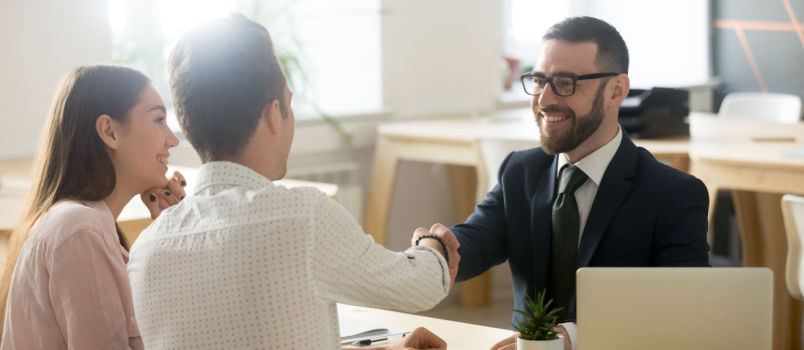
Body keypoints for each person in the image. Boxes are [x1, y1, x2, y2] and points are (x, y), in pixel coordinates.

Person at [126, 13, 459, 350]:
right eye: (289, 103)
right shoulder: (304, 219)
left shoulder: (144, 251)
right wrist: (433, 244)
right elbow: (422, 285)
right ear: (274, 114)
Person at [426, 16, 710, 350]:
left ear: (616, 90)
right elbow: (475, 239)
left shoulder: (674, 195)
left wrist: (570, 338)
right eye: (539, 79)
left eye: (565, 83)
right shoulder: (520, 170)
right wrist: (437, 249)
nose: (544, 99)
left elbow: (682, 309)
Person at [0, 65, 185, 348]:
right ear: (109, 131)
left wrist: (166, 235)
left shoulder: (86, 225)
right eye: (159, 119)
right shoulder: (80, 229)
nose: (172, 139)